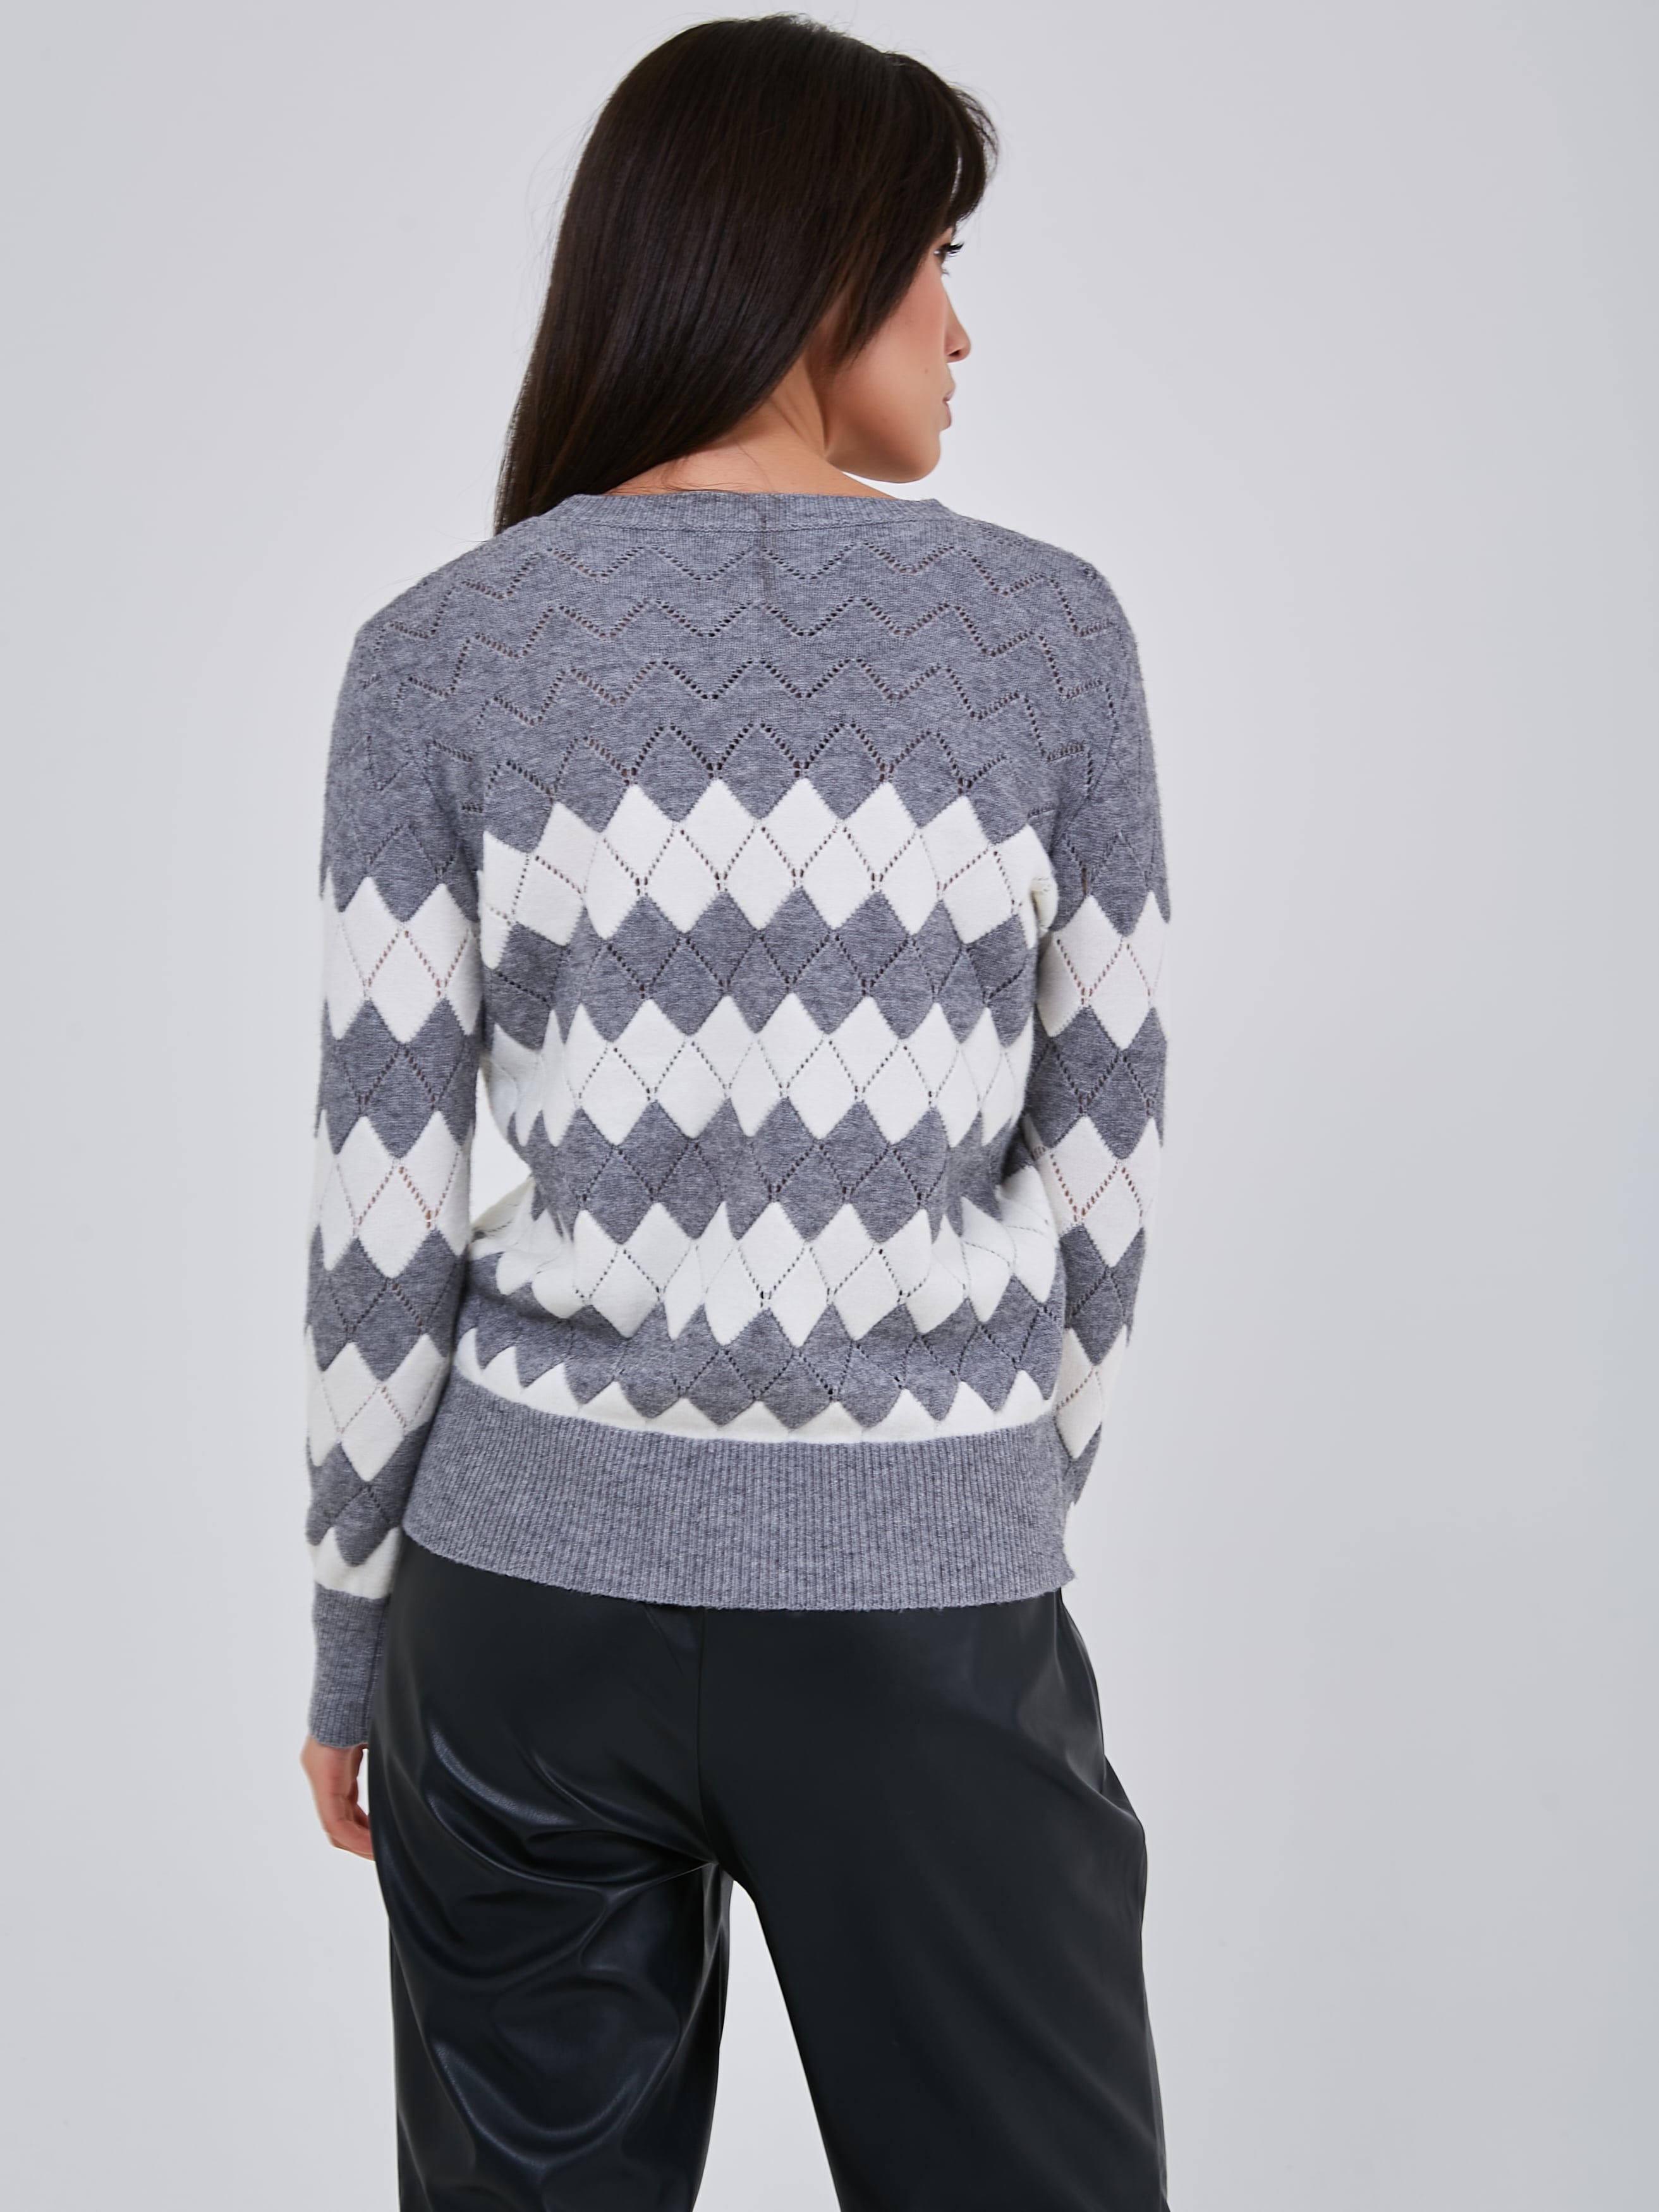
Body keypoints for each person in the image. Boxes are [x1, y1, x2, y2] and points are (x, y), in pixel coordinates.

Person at [298, 15, 1172, 2208]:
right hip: (922, 1598)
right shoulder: (1046, 639)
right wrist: (977, 1495)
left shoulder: (439, 649)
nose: (959, 329)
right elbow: (1105, 1150)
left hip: (517, 1609)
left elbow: (383, 1195)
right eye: (934, 261)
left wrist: (348, 1629)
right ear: (811, 261)